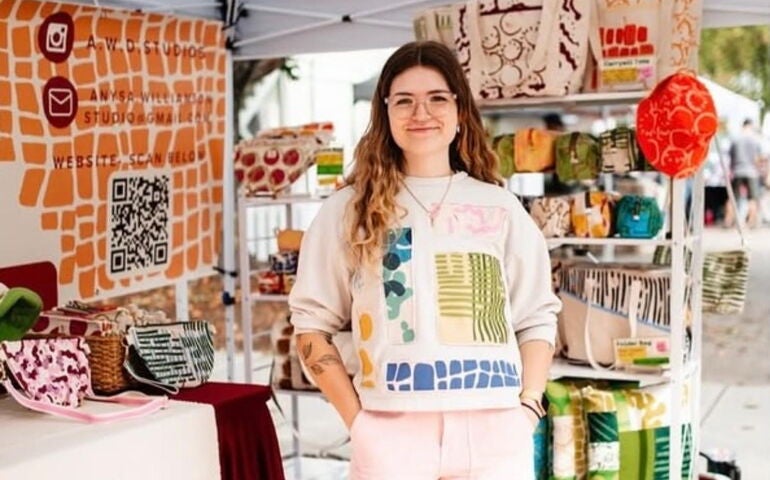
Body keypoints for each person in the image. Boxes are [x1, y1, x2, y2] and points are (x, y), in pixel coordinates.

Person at [288, 41, 560, 480]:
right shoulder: (348, 210)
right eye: (404, 101)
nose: (421, 113)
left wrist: (528, 406)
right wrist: (359, 424)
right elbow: (310, 324)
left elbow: (537, 316)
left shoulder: (500, 207)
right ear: (385, 112)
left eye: (436, 98)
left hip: (495, 433)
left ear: (459, 112)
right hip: (391, 436)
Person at [724, 118, 763, 228]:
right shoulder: (755, 140)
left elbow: (730, 156)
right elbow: (757, 159)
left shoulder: (735, 139)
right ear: (750, 126)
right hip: (752, 172)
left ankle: (728, 221)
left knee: (732, 197)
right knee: (752, 198)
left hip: (737, 171)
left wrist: (732, 169)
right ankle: (751, 222)